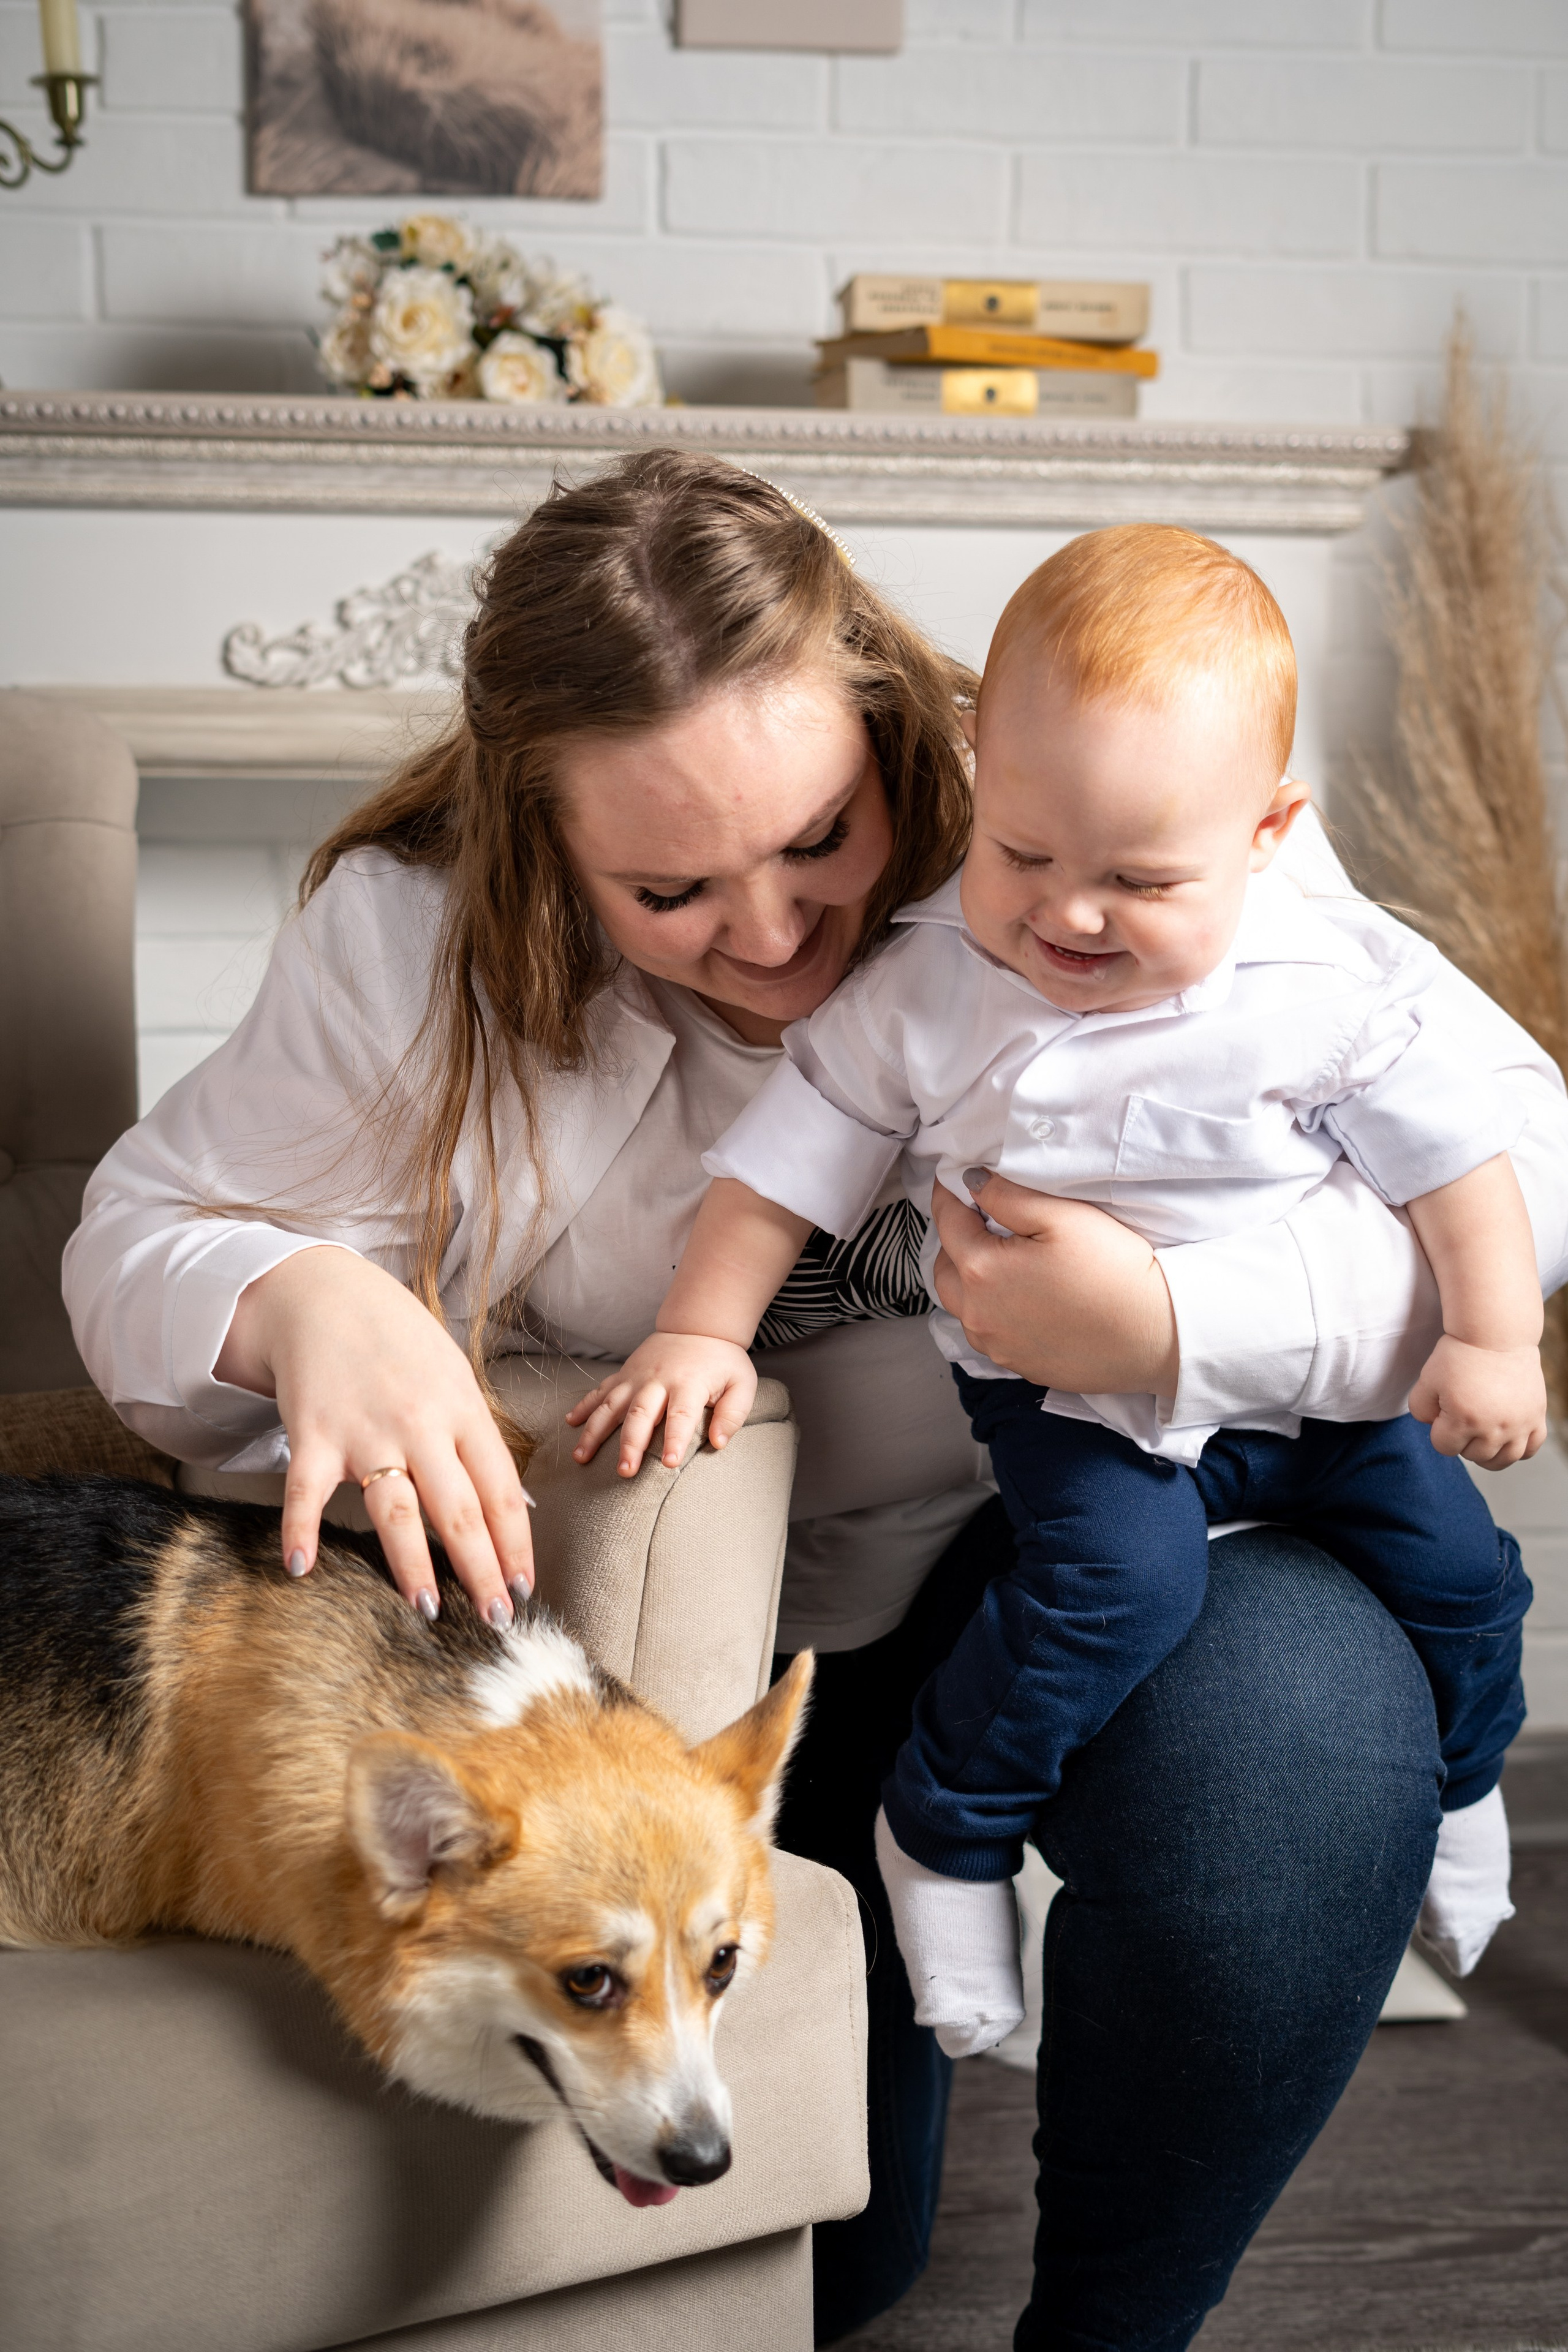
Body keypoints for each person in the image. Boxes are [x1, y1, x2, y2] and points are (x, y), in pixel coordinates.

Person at [63, 456, 1568, 2351]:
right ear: (543, 847)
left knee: (1294, 1762)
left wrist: (1176, 1318)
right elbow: (137, 1241)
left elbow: (1516, 1167)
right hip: (722, 1657)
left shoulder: (1086, 787)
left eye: (822, 842)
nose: (775, 937)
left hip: (1091, 1522)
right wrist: (299, 1298)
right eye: (669, 890)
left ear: (893, 732)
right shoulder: (409, 938)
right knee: (838, 2268)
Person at [569, 524, 1540, 2059]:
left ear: (1268, 834)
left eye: (1139, 882)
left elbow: (1461, 1168)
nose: (1068, 917)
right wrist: (700, 1327)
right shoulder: (925, 985)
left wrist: (1489, 1337)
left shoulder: (1325, 985)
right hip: (1070, 1408)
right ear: (977, 777)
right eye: (1021, 856)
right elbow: (781, 1169)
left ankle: (1464, 1785)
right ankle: (944, 1830)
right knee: (1113, 1594)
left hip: (1316, 1406)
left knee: (1462, 1577)